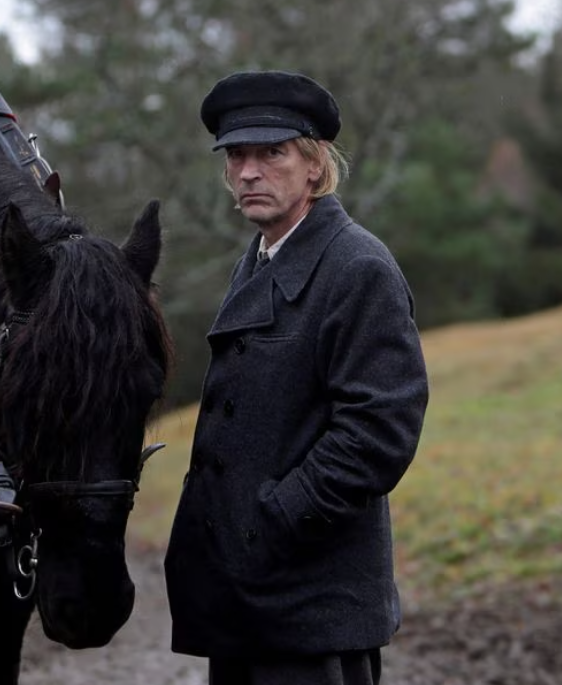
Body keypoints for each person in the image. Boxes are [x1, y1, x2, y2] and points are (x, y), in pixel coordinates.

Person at [164, 70, 430, 685]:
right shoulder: (258, 259)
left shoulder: (357, 267)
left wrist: (276, 519)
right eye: (237, 155)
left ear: (314, 165)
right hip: (246, 604)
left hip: (310, 611)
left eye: (272, 153)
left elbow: (379, 431)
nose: (250, 171)